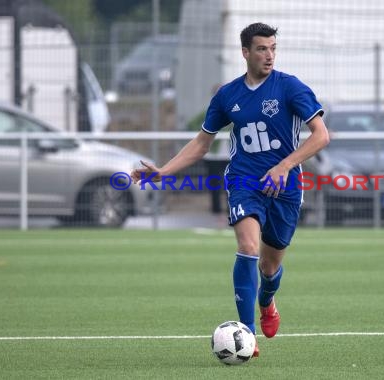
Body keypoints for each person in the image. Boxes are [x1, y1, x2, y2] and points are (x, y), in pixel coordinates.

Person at [130, 23, 329, 356]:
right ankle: (247, 336)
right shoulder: (227, 96)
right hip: (243, 181)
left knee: (269, 266)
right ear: (245, 53)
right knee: (248, 246)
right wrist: (163, 172)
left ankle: (267, 301)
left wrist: (284, 166)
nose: (269, 55)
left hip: (285, 186)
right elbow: (201, 143)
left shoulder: (290, 87)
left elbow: (321, 135)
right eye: (262, 49)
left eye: (273, 48)